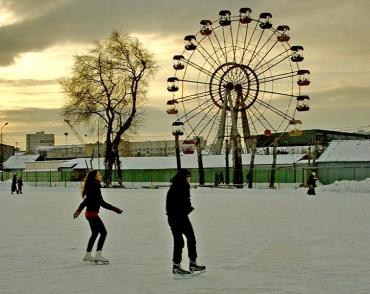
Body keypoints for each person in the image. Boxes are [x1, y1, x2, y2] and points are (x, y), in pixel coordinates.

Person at [73, 170, 123, 264]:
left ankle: (88, 255)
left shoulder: (93, 185)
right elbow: (101, 202)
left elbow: (87, 200)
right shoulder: (94, 186)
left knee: (95, 234)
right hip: (92, 215)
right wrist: (114, 209)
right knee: (103, 233)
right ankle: (98, 255)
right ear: (95, 176)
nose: (100, 175)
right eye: (98, 174)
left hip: (89, 214)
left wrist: (78, 210)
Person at [166, 169, 206, 278]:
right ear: (184, 177)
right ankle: (181, 266)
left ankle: (183, 265)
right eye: (189, 177)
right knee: (184, 240)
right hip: (178, 217)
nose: (190, 179)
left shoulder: (176, 186)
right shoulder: (181, 187)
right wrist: (187, 209)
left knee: (185, 240)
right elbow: (182, 204)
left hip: (176, 217)